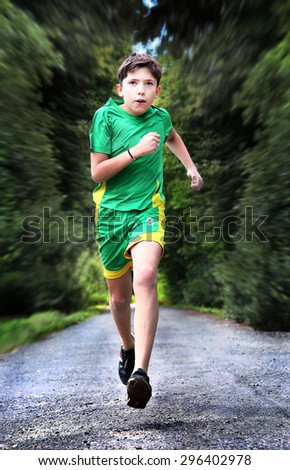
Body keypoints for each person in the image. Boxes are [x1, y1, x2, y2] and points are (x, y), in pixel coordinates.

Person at [89, 52, 203, 409]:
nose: (141, 91)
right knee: (120, 300)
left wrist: (191, 168)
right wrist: (135, 152)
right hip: (110, 215)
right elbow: (98, 173)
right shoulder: (105, 118)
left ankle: (141, 373)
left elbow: (173, 137)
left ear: (157, 92)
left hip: (148, 209)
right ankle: (128, 346)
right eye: (134, 83)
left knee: (147, 276)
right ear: (120, 88)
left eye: (148, 84)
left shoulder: (160, 117)